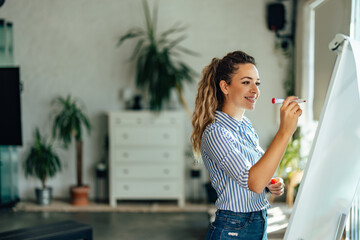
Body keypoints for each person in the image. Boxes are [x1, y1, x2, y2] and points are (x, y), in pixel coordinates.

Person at [191, 50, 302, 240]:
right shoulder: (216, 133)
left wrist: (271, 183)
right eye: (246, 82)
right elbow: (253, 182)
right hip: (233, 228)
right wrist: (284, 132)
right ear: (225, 87)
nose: (255, 90)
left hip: (258, 222)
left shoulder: (246, 126)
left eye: (257, 83)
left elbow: (259, 173)